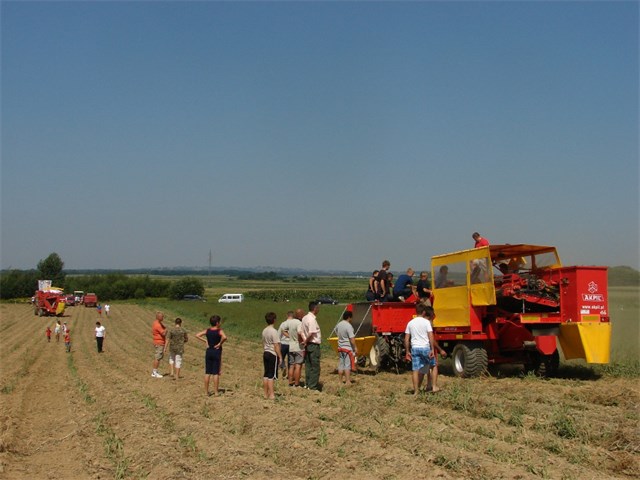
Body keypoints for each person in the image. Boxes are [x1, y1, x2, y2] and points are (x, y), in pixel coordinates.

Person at [404, 304, 437, 395]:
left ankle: (416, 391)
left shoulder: (410, 323)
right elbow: (430, 336)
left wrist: (407, 351)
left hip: (415, 348)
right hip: (425, 348)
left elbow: (406, 339)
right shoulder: (426, 322)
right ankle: (434, 386)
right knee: (433, 366)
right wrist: (432, 349)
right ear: (423, 312)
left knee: (415, 370)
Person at [196, 315, 227, 396]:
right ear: (217, 323)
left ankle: (206, 392)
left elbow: (197, 335)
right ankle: (216, 392)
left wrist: (205, 341)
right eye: (219, 322)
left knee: (207, 372)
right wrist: (220, 344)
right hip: (216, 352)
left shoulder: (207, 330)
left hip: (209, 351)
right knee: (215, 373)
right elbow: (224, 337)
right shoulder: (219, 331)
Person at [299, 301, 322, 391]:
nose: (319, 309)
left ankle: (307, 384)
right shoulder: (312, 319)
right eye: (318, 308)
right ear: (315, 309)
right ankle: (312, 386)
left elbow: (301, 331)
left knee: (308, 365)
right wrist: (306, 341)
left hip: (308, 344)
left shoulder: (304, 318)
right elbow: (311, 332)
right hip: (313, 344)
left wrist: (304, 340)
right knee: (315, 366)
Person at [279, 309, 304, 387]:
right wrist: (302, 340)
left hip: (291, 346)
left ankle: (290, 382)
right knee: (298, 365)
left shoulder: (290, 322)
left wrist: (289, 336)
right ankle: (296, 383)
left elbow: (283, 330)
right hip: (298, 346)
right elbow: (299, 333)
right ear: (300, 315)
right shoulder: (299, 323)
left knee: (291, 365)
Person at [262, 312, 282, 400]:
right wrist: (280, 356)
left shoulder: (264, 330)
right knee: (271, 375)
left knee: (266, 374)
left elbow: (263, 343)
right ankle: (272, 395)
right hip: (272, 354)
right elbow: (276, 345)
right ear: (274, 320)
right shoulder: (274, 331)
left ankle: (265, 394)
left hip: (265, 352)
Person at [336, 311, 358, 385]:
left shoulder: (339, 324)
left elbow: (336, 332)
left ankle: (340, 381)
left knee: (341, 365)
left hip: (340, 348)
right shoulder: (348, 326)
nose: (352, 319)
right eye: (351, 317)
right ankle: (348, 381)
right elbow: (352, 338)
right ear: (349, 317)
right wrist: (355, 347)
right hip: (347, 348)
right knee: (347, 365)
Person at [277, 312, 293, 379]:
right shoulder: (294, 324)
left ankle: (283, 367)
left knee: (281, 358)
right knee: (290, 360)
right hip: (291, 344)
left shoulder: (283, 324)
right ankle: (290, 374)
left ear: (287, 316)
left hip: (283, 343)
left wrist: (278, 343)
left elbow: (278, 334)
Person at [151, 311, 167, 378]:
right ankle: (154, 372)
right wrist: (166, 329)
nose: (163, 317)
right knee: (157, 357)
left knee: (158, 357)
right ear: (159, 317)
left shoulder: (156, 323)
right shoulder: (158, 325)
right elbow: (164, 333)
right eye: (162, 316)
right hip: (159, 343)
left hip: (158, 342)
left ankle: (155, 371)